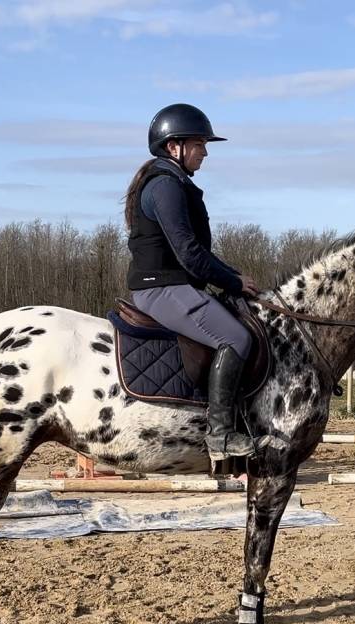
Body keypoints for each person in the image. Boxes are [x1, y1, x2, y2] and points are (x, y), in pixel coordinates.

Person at [124, 103, 263, 461]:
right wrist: (232, 282)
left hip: (171, 284)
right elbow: (189, 253)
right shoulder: (165, 186)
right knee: (236, 338)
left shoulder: (173, 182)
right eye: (199, 144)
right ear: (174, 146)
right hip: (161, 288)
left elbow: (198, 252)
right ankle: (221, 435)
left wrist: (234, 276)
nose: (205, 152)